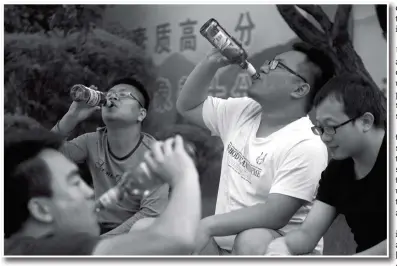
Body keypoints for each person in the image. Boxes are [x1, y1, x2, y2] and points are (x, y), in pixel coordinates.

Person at [176, 42, 334, 255]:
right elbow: (188, 106)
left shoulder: (306, 144)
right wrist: (210, 63)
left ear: (299, 89)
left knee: (252, 239)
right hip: (222, 248)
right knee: (150, 229)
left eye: (278, 65)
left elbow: (274, 214)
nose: (265, 67)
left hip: (276, 251)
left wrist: (208, 225)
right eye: (269, 61)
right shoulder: (244, 110)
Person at [4, 129, 201, 255]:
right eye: (74, 182)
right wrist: (184, 174)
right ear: (41, 209)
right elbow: (174, 239)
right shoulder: (47, 252)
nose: (90, 192)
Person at [265, 73, 387, 256]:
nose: (324, 137)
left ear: (365, 121)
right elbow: (306, 236)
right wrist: (283, 247)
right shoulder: (337, 172)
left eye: (331, 127)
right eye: (320, 128)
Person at [51, 77, 169, 235]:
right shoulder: (92, 141)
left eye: (124, 95)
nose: (113, 97)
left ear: (141, 114)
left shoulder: (155, 157)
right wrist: (72, 116)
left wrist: (100, 243)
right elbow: (47, 155)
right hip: (95, 225)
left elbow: (150, 215)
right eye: (110, 94)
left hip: (137, 236)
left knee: (144, 226)